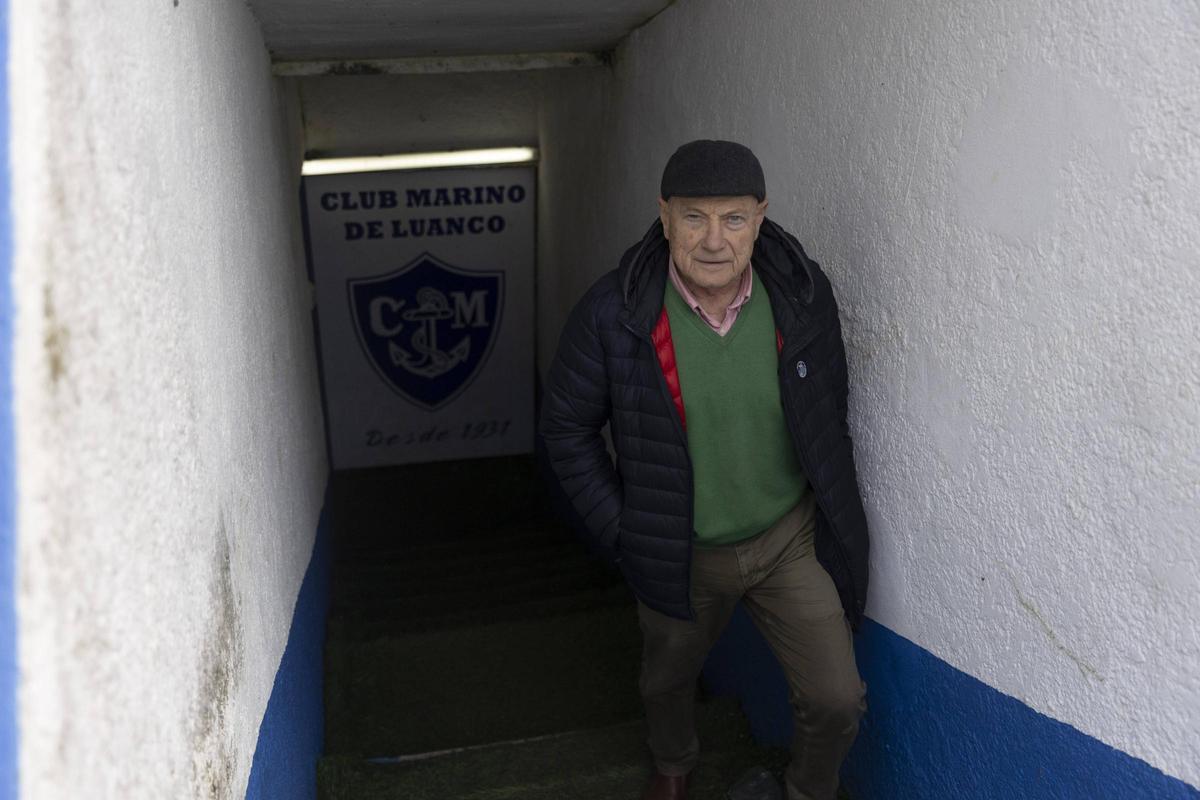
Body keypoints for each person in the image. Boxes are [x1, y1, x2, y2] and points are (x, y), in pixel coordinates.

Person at [538, 140, 869, 800]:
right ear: (664, 218)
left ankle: (807, 791)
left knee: (838, 698)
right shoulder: (615, 313)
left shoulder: (802, 296)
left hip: (787, 541)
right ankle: (673, 761)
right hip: (677, 550)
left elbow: (827, 406)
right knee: (666, 680)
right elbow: (564, 429)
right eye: (695, 218)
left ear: (761, 217)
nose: (714, 240)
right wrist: (625, 530)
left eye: (734, 218)